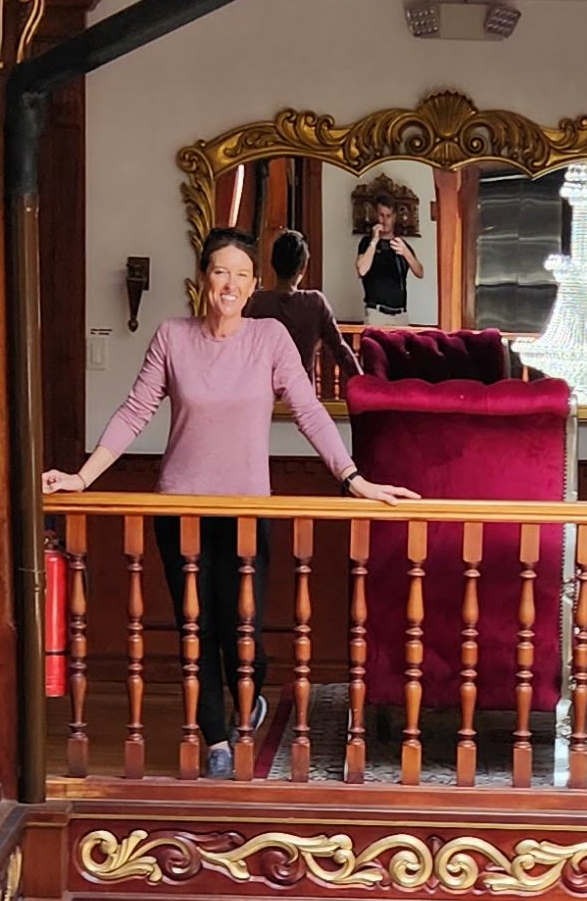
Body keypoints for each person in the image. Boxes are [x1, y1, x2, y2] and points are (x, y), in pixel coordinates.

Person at [47, 228, 411, 775]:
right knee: (198, 631)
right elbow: (135, 410)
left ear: (254, 284)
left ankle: (250, 696)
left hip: (246, 510)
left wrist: (352, 477)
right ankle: (216, 739)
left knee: (245, 634)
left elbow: (309, 411)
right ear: (203, 278)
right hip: (179, 510)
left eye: (242, 275)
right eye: (220, 272)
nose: (230, 284)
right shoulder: (172, 336)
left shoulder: (269, 338)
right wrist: (82, 477)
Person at [248, 226, 351, 403]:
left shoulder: (257, 302)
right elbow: (341, 351)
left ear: (273, 263)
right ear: (303, 267)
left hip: (263, 399)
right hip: (302, 400)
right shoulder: (315, 302)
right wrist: (365, 383)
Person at [351, 190, 424, 317]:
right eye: (381, 215)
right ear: (376, 215)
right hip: (376, 312)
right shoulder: (367, 242)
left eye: (388, 216)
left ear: (394, 217)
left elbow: (420, 273)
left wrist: (406, 252)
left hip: (400, 314)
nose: (384, 220)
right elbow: (361, 270)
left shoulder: (401, 244)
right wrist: (374, 240)